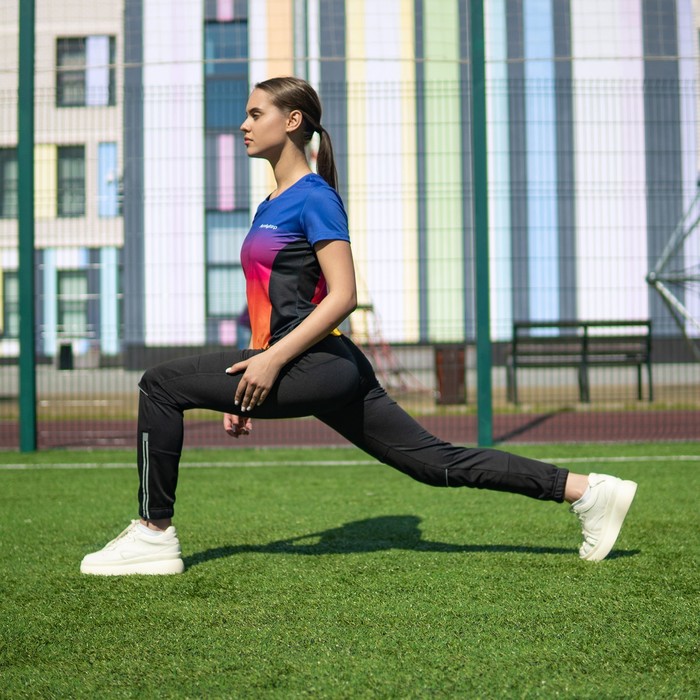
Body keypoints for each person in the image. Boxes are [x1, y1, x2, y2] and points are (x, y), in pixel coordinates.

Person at [80, 77, 637, 576]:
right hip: (307, 361)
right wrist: (249, 369)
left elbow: (343, 295)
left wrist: (272, 360)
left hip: (315, 362)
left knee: (160, 384)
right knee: (432, 462)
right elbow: (268, 300)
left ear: (292, 121)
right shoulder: (270, 203)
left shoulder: (315, 198)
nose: (243, 124)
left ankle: (153, 532)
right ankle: (586, 491)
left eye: (255, 114)